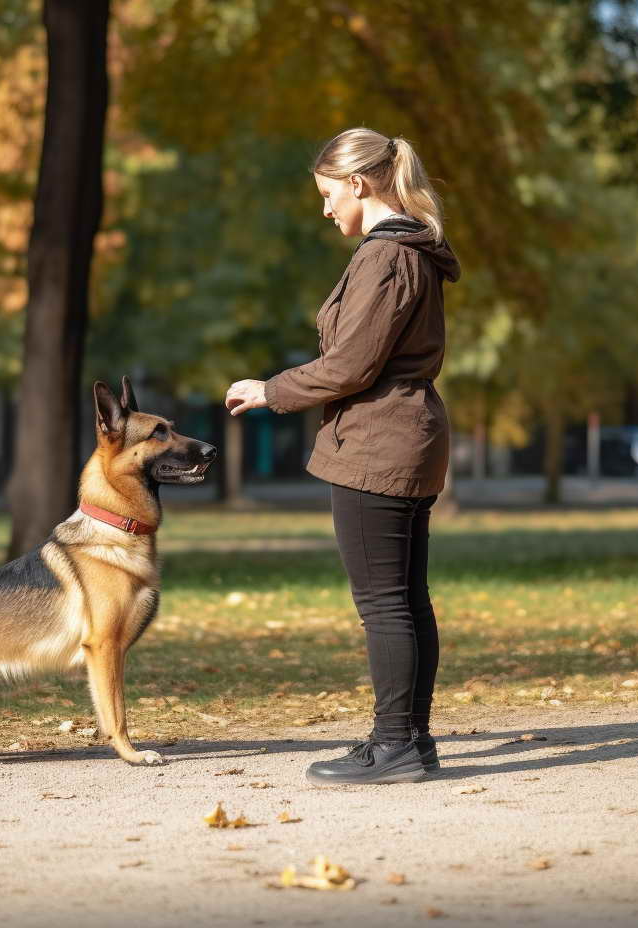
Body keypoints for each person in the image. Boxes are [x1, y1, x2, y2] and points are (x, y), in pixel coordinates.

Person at [225, 127, 460, 785]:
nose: (326, 208)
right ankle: (407, 740)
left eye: (329, 193)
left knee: (385, 603)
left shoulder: (386, 258)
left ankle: (395, 747)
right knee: (406, 598)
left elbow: (351, 364)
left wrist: (271, 390)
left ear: (358, 183)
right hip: (403, 436)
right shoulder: (410, 251)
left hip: (379, 442)